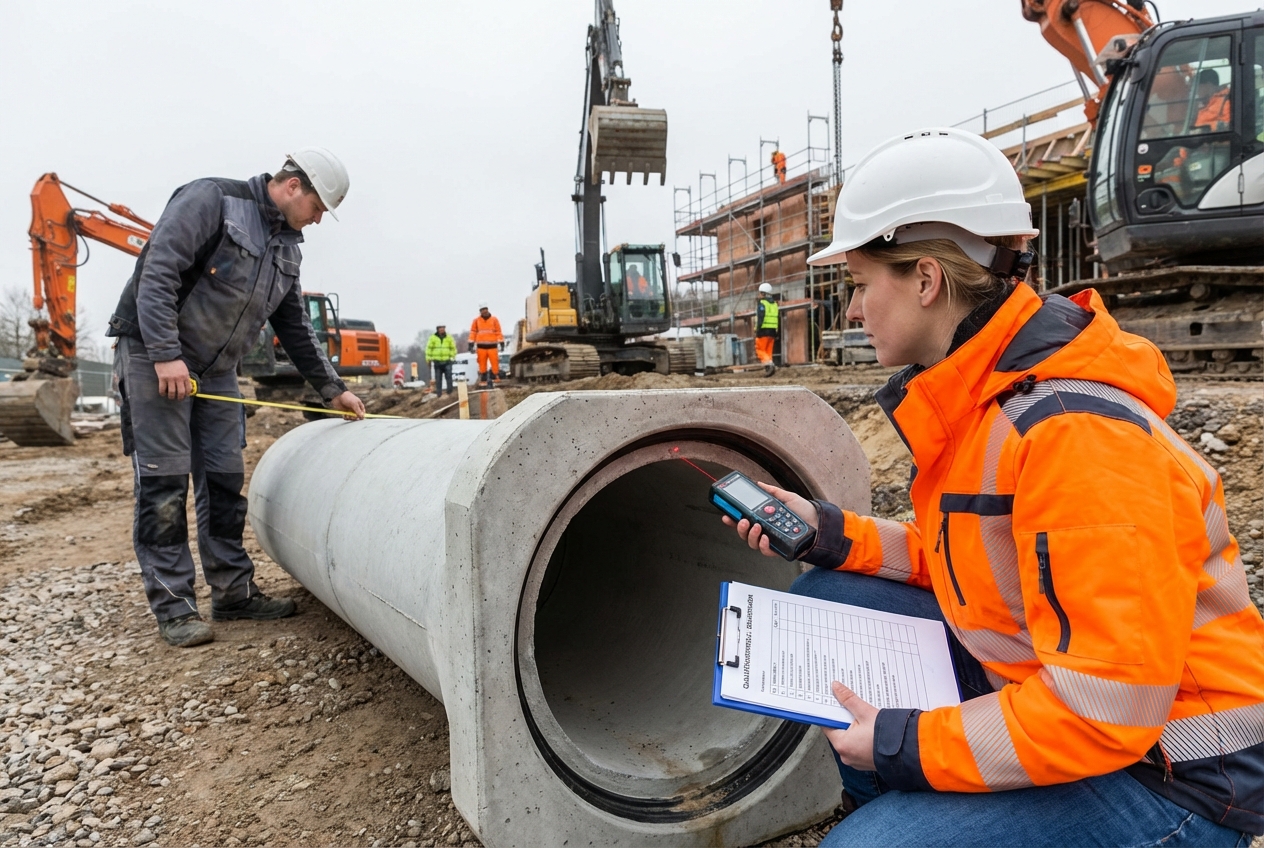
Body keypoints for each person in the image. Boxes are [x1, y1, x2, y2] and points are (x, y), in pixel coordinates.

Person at [726, 127, 1264, 846]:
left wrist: (903, 743)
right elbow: (976, 566)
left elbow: (1107, 707)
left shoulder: (1077, 439)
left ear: (925, 280)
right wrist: (830, 533)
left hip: (1169, 775)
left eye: (859, 284)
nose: (852, 311)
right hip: (1060, 698)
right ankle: (913, 811)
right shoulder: (986, 396)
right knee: (830, 597)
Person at [107, 147, 366, 650]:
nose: (317, 220)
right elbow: (157, 270)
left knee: (224, 477)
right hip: (154, 355)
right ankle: (175, 606)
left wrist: (333, 388)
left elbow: (293, 324)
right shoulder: (212, 200)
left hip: (217, 370)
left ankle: (232, 591)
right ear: (294, 185)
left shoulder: (287, 247)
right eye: (317, 208)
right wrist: (165, 354)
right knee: (164, 484)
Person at [469, 303, 504, 387]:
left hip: (492, 346)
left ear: (487, 309)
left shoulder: (494, 319)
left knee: (495, 362)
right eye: (482, 310)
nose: (484, 311)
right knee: (482, 363)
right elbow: (473, 332)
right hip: (481, 347)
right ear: (480, 311)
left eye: (485, 309)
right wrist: (471, 343)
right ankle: (483, 379)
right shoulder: (476, 321)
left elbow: (498, 332)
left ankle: (496, 376)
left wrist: (501, 342)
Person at [1193, 68, 1231, 133]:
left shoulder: (1226, 101)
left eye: (1198, 87)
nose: (1196, 91)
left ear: (1208, 85)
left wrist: (1203, 129)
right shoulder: (1200, 104)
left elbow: (1228, 125)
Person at [754, 282, 779, 376]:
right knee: (768, 351)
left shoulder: (762, 303)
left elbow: (761, 317)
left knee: (760, 350)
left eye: (760, 293)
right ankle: (769, 368)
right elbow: (776, 317)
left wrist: (757, 328)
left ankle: (770, 365)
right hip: (773, 330)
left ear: (763, 293)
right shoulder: (775, 304)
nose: (759, 295)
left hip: (763, 330)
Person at [426, 324, 457, 395]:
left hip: (447, 361)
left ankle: (450, 392)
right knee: (438, 378)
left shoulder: (449, 337)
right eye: (440, 328)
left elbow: (453, 348)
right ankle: (439, 394)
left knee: (449, 377)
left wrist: (452, 356)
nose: (442, 329)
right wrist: (428, 359)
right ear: (437, 329)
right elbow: (429, 349)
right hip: (437, 361)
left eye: (443, 328)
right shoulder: (433, 338)